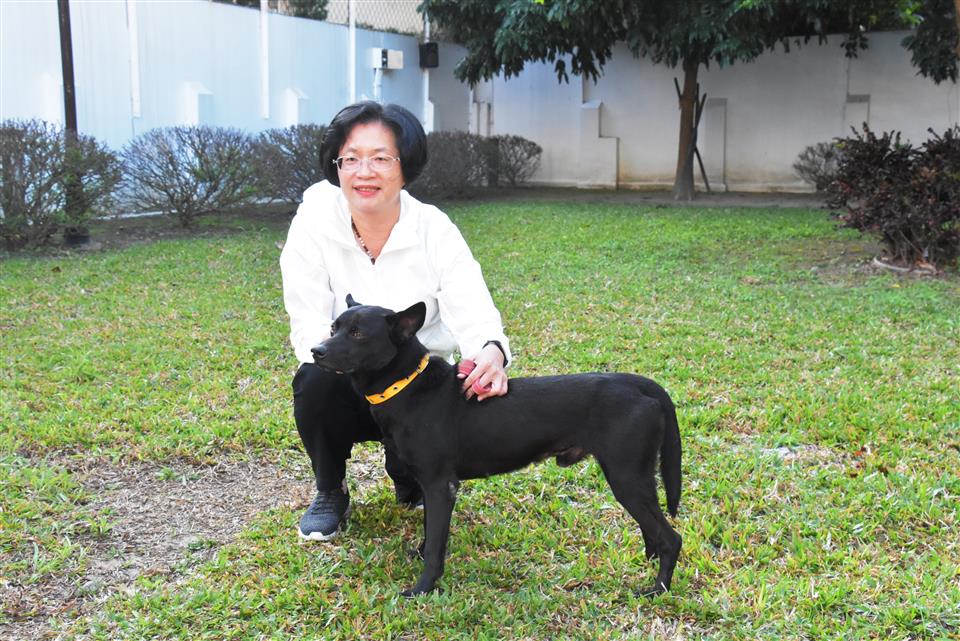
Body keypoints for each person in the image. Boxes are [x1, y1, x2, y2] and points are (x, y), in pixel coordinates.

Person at [280, 101, 511, 541]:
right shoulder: (313, 220)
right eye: (351, 159)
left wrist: (490, 352)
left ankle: (409, 471)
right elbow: (307, 317)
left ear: (405, 167)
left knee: (431, 400)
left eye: (381, 158)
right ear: (336, 166)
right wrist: (348, 361)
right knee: (314, 380)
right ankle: (330, 489)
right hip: (347, 380)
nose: (364, 172)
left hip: (417, 385)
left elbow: (472, 307)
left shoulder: (433, 229)